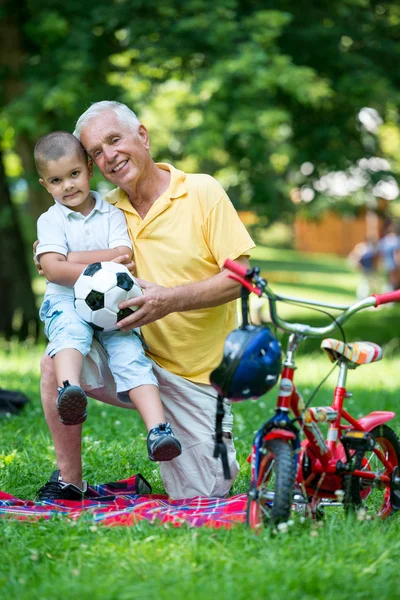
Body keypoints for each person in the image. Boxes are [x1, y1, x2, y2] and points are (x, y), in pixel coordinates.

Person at [36, 101, 255, 501]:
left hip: (197, 379)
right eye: (97, 152)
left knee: (207, 492)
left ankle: (173, 448)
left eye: (115, 140)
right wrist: (54, 258)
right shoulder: (103, 210)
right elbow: (57, 253)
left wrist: (168, 300)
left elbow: (240, 280)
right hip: (130, 354)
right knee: (57, 357)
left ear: (143, 135)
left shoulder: (202, 191)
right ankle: (70, 481)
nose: (110, 156)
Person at [34, 131, 182, 495]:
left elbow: (123, 257)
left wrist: (68, 258)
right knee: (71, 335)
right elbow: (54, 272)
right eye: (55, 180)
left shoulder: (111, 214)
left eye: (73, 174)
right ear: (44, 184)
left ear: (88, 168)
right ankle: (70, 392)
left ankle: (158, 430)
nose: (67, 186)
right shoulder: (50, 221)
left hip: (112, 304)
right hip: (66, 303)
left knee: (131, 355)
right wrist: (99, 260)